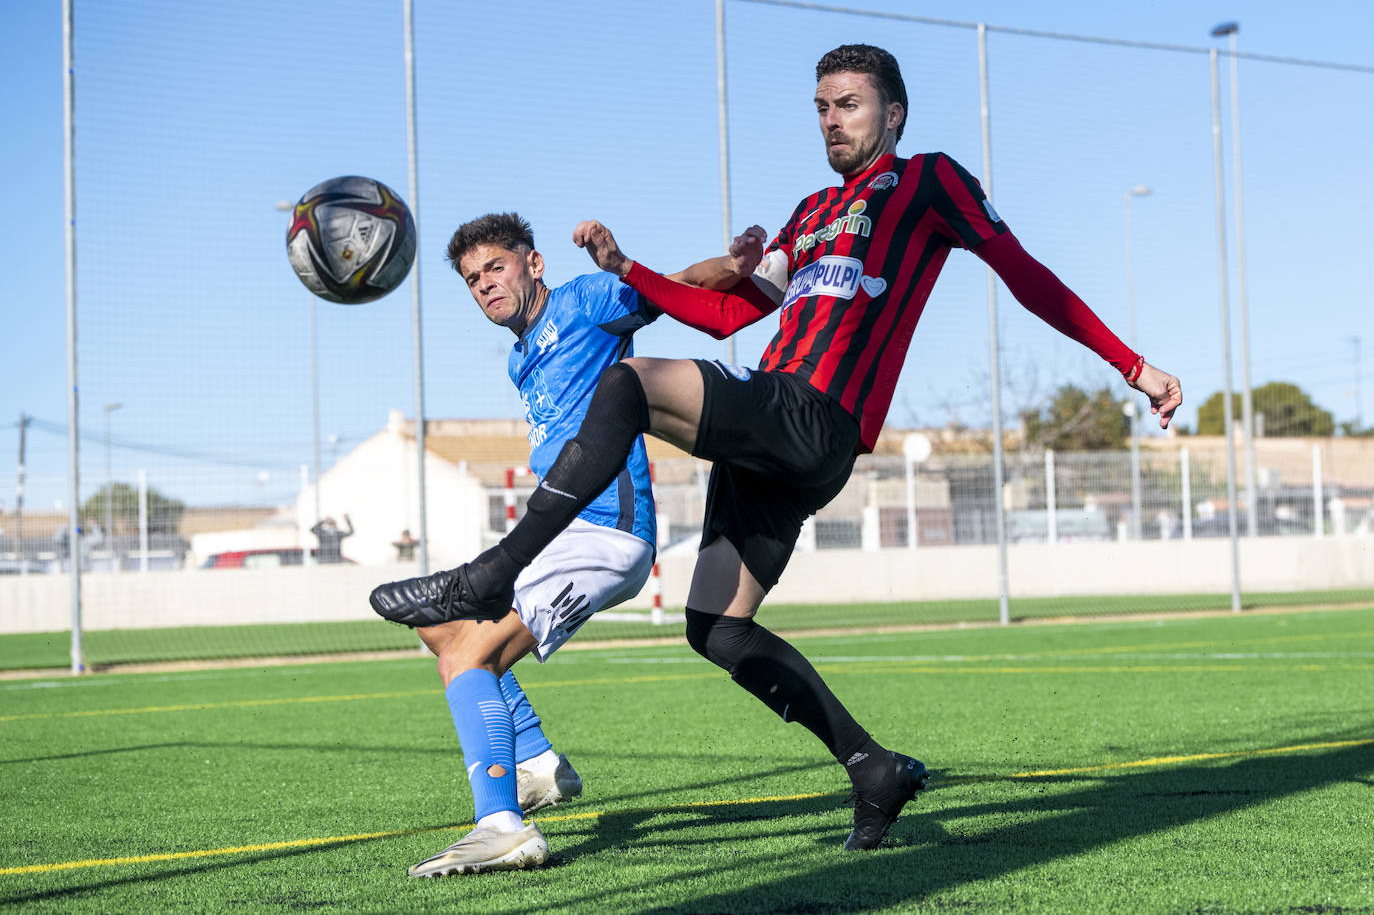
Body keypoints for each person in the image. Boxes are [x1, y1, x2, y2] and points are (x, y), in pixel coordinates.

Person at [372, 45, 1184, 852]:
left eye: (850, 105)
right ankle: (873, 768)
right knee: (717, 627)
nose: (833, 119)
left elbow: (1025, 273)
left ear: (893, 114)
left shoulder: (929, 181)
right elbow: (725, 317)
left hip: (815, 413)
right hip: (771, 438)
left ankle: (486, 574)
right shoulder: (809, 214)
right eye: (823, 107)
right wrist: (629, 268)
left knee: (623, 383)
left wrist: (1133, 366)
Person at [372, 211, 692, 877]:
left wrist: (754, 269)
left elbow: (679, 287)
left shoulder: (584, 302)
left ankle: (503, 827)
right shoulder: (521, 356)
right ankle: (538, 764)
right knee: (440, 627)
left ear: (534, 264)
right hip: (556, 534)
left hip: (606, 532)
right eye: (471, 279)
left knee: (470, 652)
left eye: (495, 267)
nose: (485, 284)